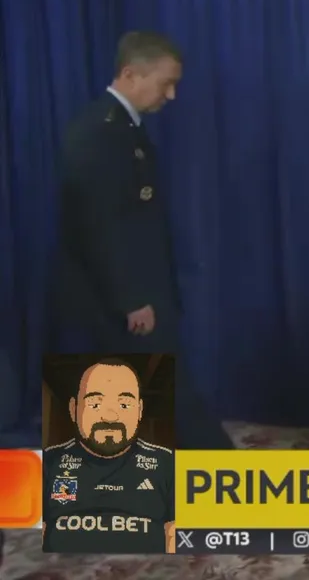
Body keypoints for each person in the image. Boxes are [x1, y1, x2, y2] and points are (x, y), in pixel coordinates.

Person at [54, 31, 233, 450]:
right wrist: (131, 298)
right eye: (165, 83)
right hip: (123, 298)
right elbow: (100, 226)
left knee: (150, 394)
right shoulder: (100, 132)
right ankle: (226, 474)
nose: (170, 95)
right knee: (159, 393)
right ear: (131, 74)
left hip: (138, 290)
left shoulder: (122, 129)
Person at [43, 358, 175, 553]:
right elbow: (25, 546)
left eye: (124, 405)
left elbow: (188, 546)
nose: (110, 416)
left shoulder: (170, 465)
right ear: (74, 409)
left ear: (139, 411)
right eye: (95, 404)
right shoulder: (44, 464)